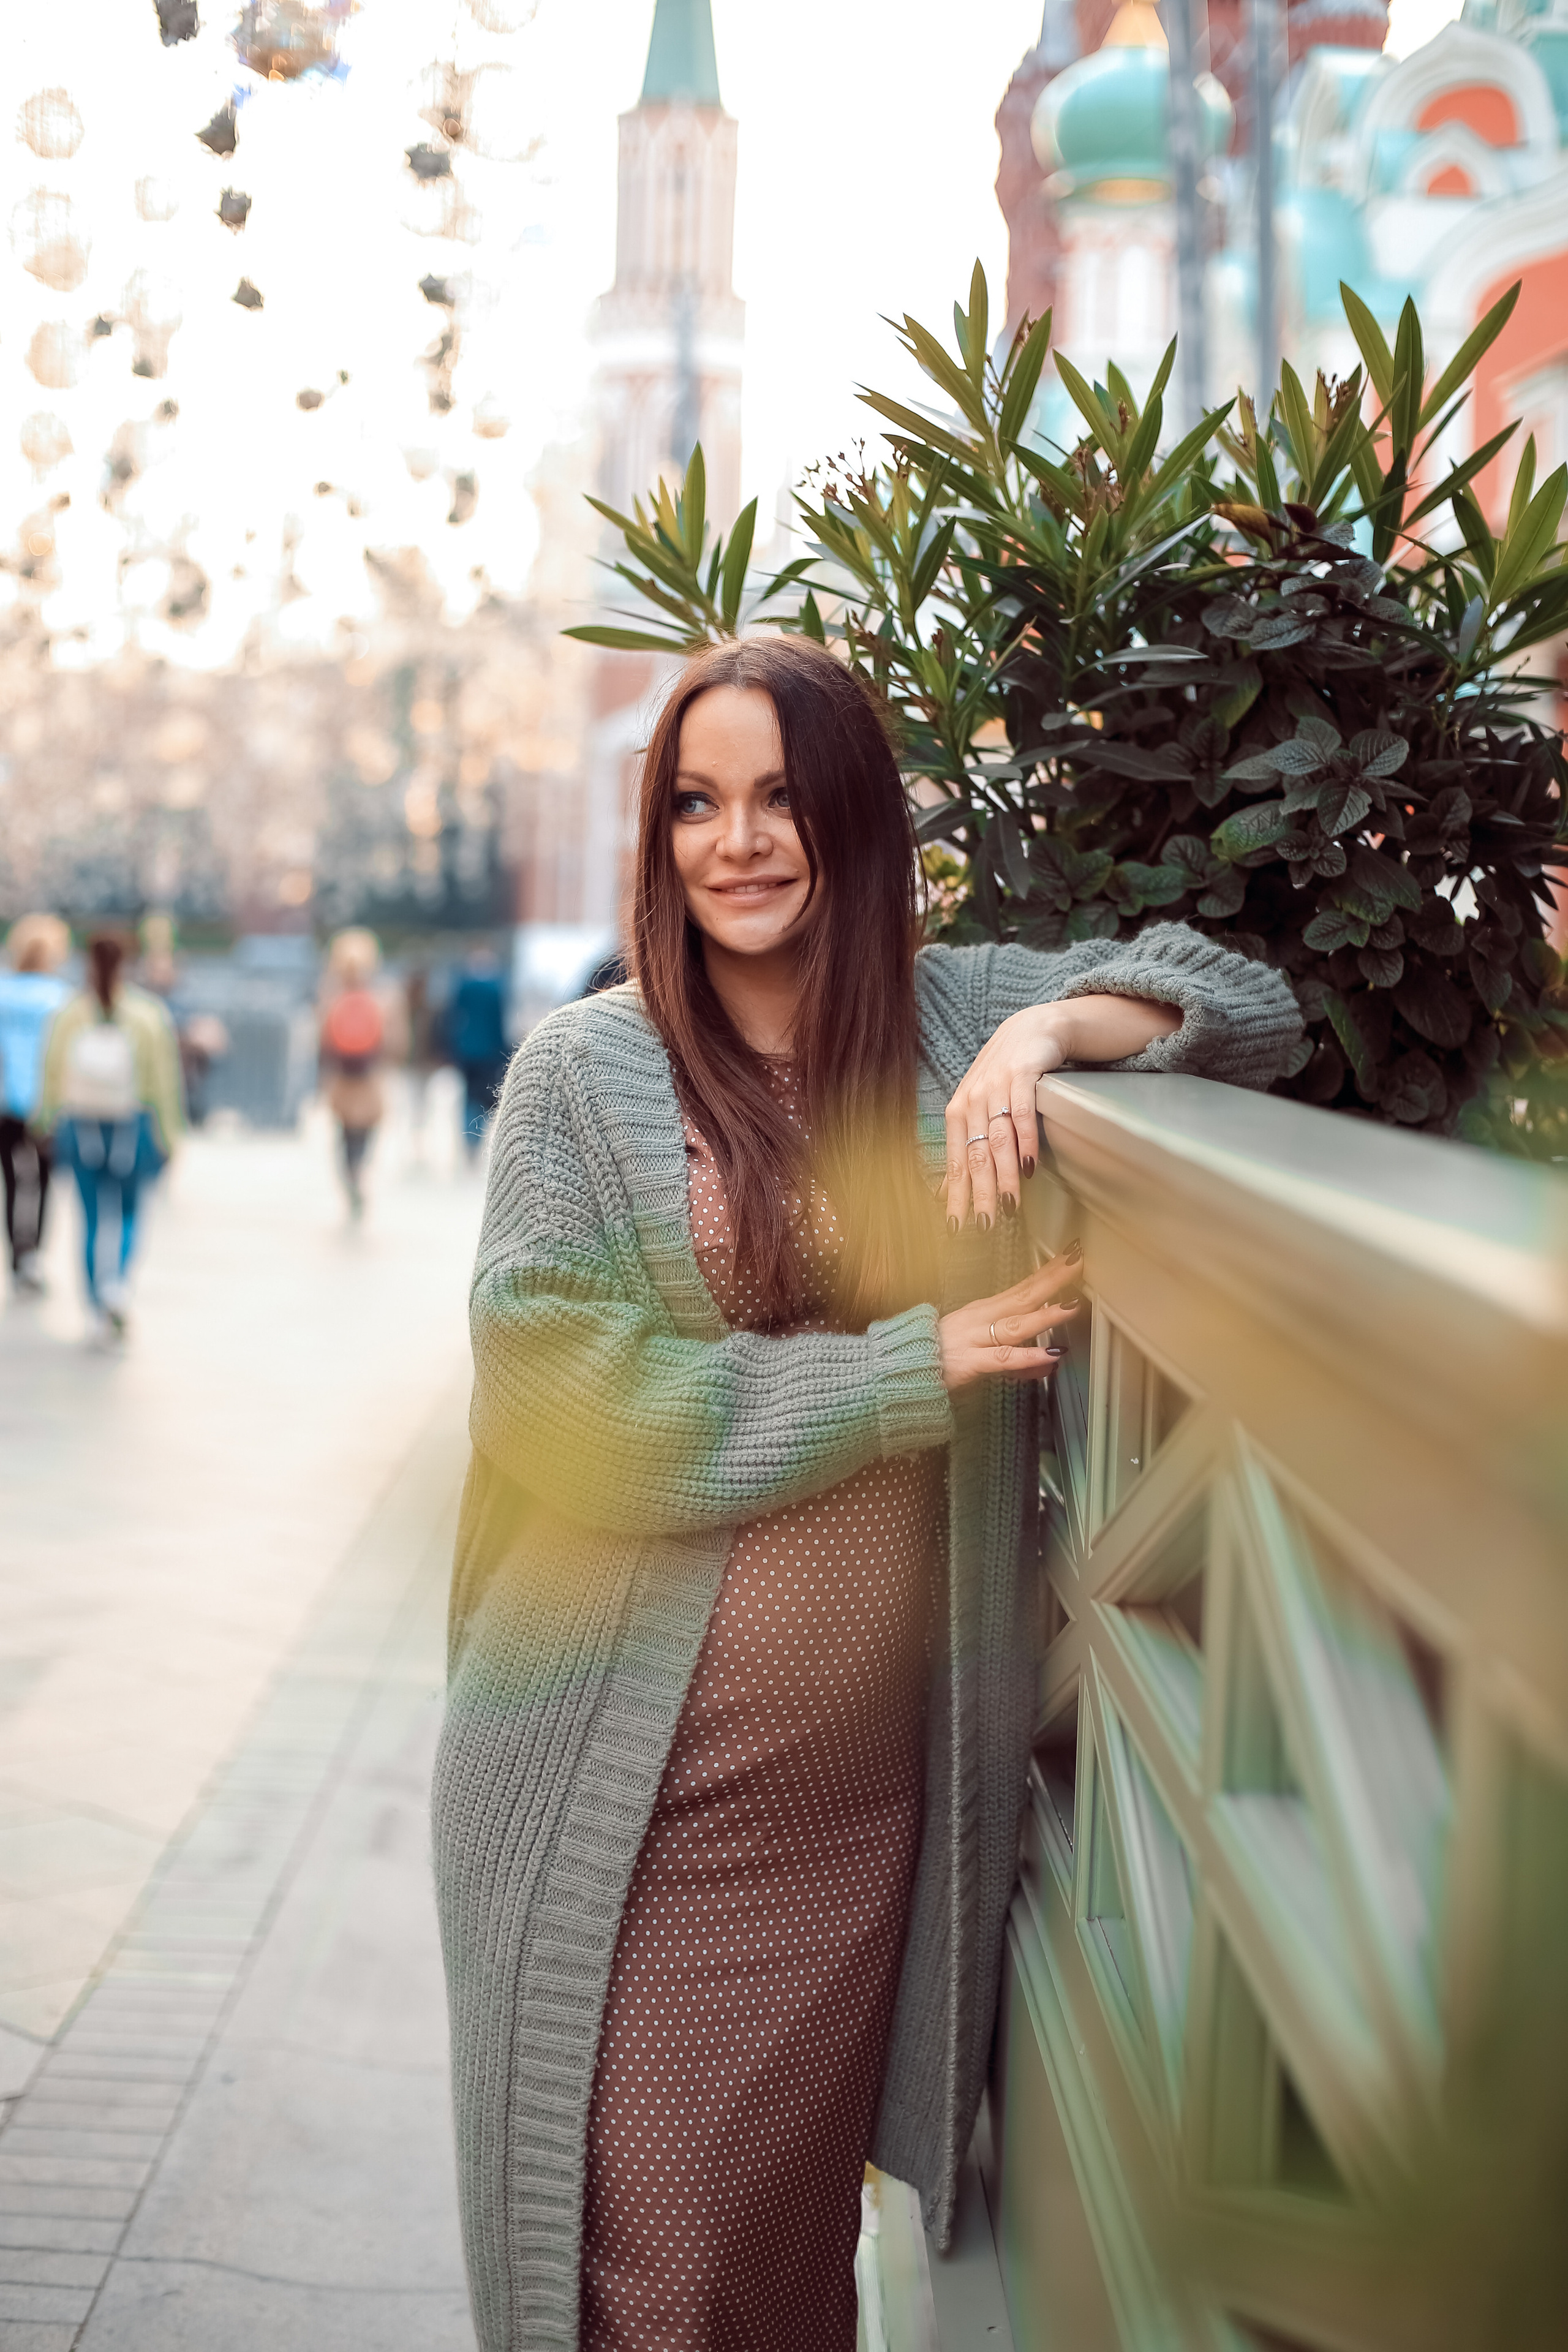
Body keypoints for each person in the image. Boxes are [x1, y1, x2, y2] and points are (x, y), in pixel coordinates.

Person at [432, 637, 1302, 2352]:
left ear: (851, 815)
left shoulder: (954, 1010)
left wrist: (1040, 1035)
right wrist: (901, 1375)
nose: (736, 842)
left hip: (849, 1821)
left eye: (779, 798)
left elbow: (1243, 1005)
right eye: (695, 802)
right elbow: (553, 1398)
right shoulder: (583, 1075)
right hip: (615, 1781)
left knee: (765, 2280)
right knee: (637, 2282)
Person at [39, 930, 184, 1343]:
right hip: (131, 1126)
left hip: (80, 1124)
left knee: (88, 1217)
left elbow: (51, 1073)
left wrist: (46, 1120)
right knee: (128, 1213)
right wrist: (170, 1134)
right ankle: (116, 1283)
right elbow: (163, 1082)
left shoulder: (69, 1014)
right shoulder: (147, 1015)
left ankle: (95, 1305)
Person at [0, 912, 72, 1295]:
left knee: (12, 1182)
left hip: (6, 1103)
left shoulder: (3, 994)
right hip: (46, 1105)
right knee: (43, 1182)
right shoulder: (59, 999)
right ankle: (34, 1257)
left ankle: (15, 1255)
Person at [319, 928, 404, 1218]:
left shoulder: (331, 997)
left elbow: (321, 1041)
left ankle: (350, 1174)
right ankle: (359, 1171)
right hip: (371, 1078)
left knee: (344, 1134)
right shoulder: (384, 997)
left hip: (342, 1078)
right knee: (366, 1132)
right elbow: (397, 1043)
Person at [443, 944, 509, 1161]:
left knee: (468, 1096)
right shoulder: (496, 988)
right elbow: (499, 1022)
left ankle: (467, 1140)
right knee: (483, 1097)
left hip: (466, 1049)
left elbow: (454, 1017)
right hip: (488, 1051)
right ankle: (475, 1138)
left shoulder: (464, 986)